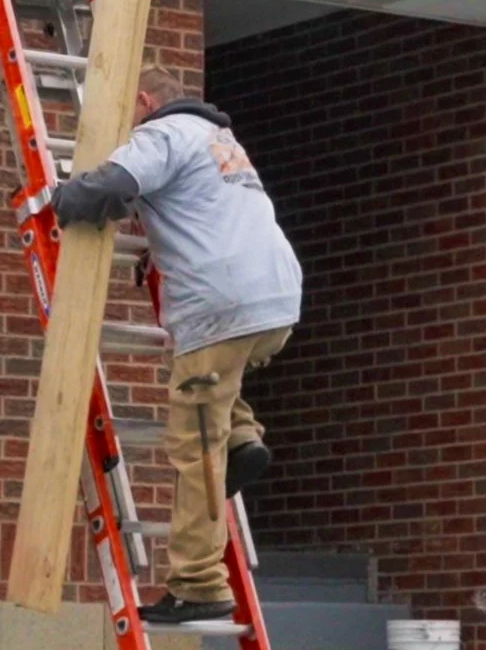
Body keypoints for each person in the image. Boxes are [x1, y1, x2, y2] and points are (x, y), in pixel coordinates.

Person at [53, 68, 304, 625]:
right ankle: (241, 438)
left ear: (143, 102)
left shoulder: (162, 134)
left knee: (196, 451)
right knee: (213, 386)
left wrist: (61, 200)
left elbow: (114, 187)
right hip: (273, 301)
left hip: (220, 306)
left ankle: (198, 584)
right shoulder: (218, 139)